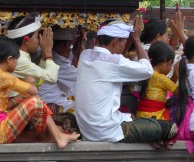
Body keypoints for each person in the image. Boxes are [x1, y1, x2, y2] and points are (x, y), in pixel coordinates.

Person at [75, 16, 177, 145]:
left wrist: (129, 39)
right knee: (170, 128)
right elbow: (148, 70)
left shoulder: (85, 56)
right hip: (107, 131)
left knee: (130, 116)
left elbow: (116, 59)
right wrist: (136, 39)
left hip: (88, 129)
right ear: (116, 41)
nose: (125, 46)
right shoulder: (115, 63)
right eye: (124, 42)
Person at [0, 37, 80, 148]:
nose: (17, 63)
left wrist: (19, 98)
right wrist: (29, 81)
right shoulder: (3, 76)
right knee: (36, 101)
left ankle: (52, 135)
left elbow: (5, 106)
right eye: (17, 60)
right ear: (10, 59)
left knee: (32, 101)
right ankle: (55, 136)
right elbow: (33, 90)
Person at [38, 28, 79, 133]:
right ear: (60, 47)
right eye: (70, 46)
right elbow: (82, 80)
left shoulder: (56, 58)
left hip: (53, 102)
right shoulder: (57, 62)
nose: (70, 50)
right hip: (51, 105)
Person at [6, 14, 59, 85]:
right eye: (37, 36)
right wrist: (48, 51)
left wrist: (44, 54)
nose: (39, 41)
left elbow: (39, 78)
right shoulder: (19, 59)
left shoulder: (19, 55)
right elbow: (51, 78)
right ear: (27, 40)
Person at [137, 41, 177, 121]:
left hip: (139, 115)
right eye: (171, 64)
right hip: (156, 118)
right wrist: (178, 72)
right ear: (163, 62)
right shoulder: (161, 78)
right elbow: (180, 92)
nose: (171, 68)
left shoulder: (145, 73)